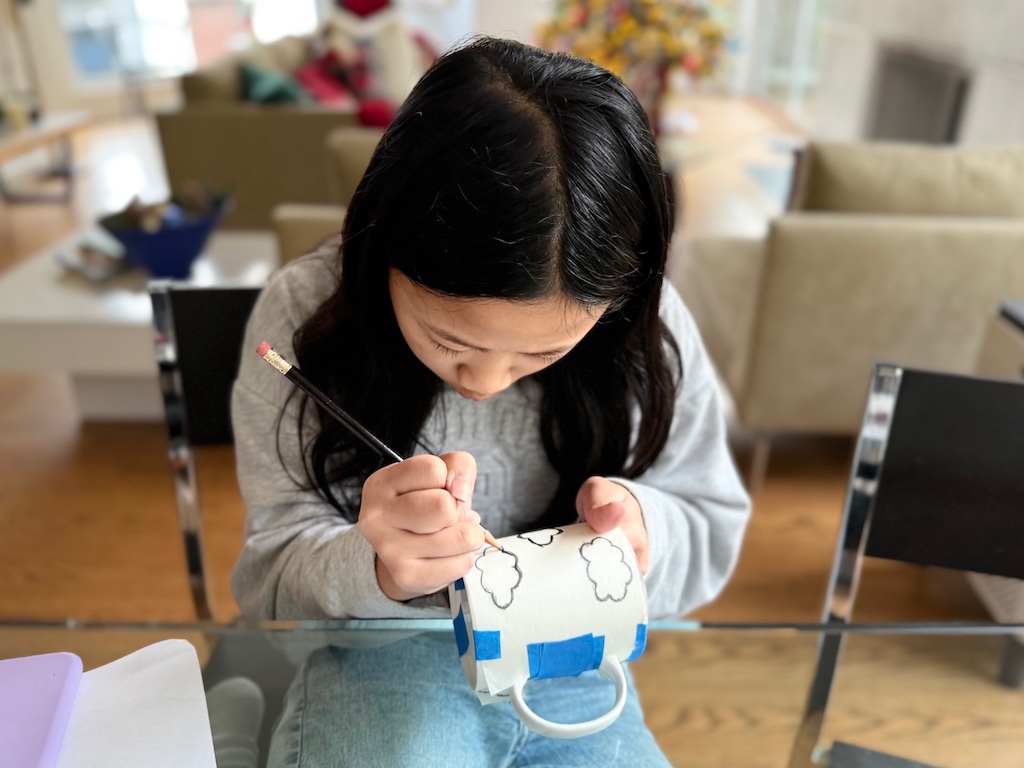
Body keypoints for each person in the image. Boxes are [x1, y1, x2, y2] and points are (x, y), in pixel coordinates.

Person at [231, 36, 750, 768]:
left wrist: (645, 535)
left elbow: (710, 519)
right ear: (384, 245)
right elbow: (267, 581)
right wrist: (378, 568)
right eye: (449, 340)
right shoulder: (305, 317)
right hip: (381, 658)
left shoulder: (644, 327)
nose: (485, 383)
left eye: (543, 353)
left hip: (573, 656)